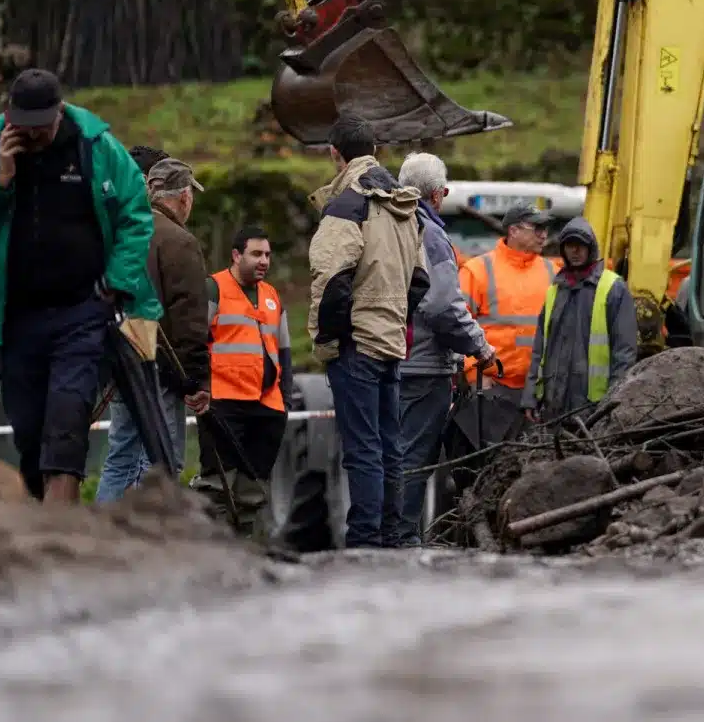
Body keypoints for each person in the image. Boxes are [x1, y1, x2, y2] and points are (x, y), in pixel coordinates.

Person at [0, 68, 161, 503]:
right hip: (17, 317)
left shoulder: (95, 146)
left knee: (67, 423)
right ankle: (40, 519)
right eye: (24, 126)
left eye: (41, 126)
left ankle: (61, 527)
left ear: (60, 111)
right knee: (29, 433)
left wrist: (118, 281)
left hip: (82, 310)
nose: (34, 135)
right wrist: (0, 179)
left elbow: (135, 214)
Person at [307, 112, 428, 548]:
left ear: (334, 154)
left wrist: (330, 339)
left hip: (356, 344)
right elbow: (420, 280)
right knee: (390, 446)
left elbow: (331, 280)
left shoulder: (347, 205)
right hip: (390, 342)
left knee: (362, 449)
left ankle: (365, 541)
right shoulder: (406, 208)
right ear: (374, 151)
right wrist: (393, 319)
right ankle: (392, 536)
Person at [390, 153, 498, 546]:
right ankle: (402, 541)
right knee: (414, 460)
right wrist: (479, 347)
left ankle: (383, 538)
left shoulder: (389, 225)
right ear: (438, 194)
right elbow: (442, 305)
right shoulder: (430, 233)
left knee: (389, 456)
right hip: (423, 365)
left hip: (388, 360)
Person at [95, 157, 207, 502]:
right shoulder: (180, 242)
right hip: (161, 369)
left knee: (121, 458)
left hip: (120, 359)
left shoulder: (122, 233)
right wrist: (193, 379)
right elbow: (188, 319)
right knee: (162, 463)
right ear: (184, 197)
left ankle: (102, 528)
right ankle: (151, 528)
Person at [196, 225, 299, 539]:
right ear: (236, 255)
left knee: (253, 490)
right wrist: (200, 387)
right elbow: (195, 343)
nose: (264, 260)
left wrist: (284, 401)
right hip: (223, 403)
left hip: (267, 407)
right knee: (218, 487)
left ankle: (242, 548)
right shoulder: (214, 288)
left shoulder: (271, 295)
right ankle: (210, 548)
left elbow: (284, 351)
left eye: (267, 254)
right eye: (256, 254)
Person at [455, 205, 558, 451]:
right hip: (491, 390)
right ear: (513, 230)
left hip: (536, 393)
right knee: (485, 463)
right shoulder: (477, 271)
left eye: (546, 228)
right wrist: (474, 374)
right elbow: (458, 326)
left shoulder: (553, 273)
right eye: (537, 228)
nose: (544, 234)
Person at [521, 218, 638, 424]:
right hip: (554, 407)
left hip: (593, 409)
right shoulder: (555, 291)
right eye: (570, 245)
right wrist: (531, 396)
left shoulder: (613, 288)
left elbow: (624, 353)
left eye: (580, 245)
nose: (575, 251)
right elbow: (540, 349)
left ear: (590, 248)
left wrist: (613, 403)